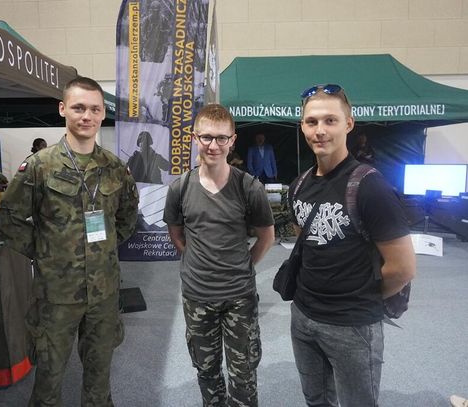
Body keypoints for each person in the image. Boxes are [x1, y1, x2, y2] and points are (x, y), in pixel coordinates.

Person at [0, 77, 139, 406]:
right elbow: (9, 221)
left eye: (94, 109)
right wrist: (46, 252)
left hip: (103, 293)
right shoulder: (39, 166)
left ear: (103, 113)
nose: (86, 116)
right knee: (49, 378)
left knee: (99, 379)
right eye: (78, 108)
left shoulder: (115, 168)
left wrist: (104, 248)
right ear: (63, 109)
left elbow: (128, 217)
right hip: (56, 296)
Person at [288, 84, 416, 407]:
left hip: (353, 326)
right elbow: (306, 241)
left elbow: (403, 268)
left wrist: (361, 298)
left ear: (349, 124)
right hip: (303, 317)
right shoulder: (298, 186)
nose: (320, 130)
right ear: (302, 126)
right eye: (312, 122)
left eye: (330, 120)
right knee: (316, 400)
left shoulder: (371, 187)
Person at [163, 104, 275, 406]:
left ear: (232, 140)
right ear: (195, 138)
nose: (214, 145)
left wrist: (243, 265)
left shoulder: (249, 188)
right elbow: (176, 233)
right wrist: (196, 261)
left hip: (239, 297)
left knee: (244, 375)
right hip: (197, 296)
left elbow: (267, 237)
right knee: (207, 371)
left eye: (221, 138)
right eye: (207, 137)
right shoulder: (179, 188)